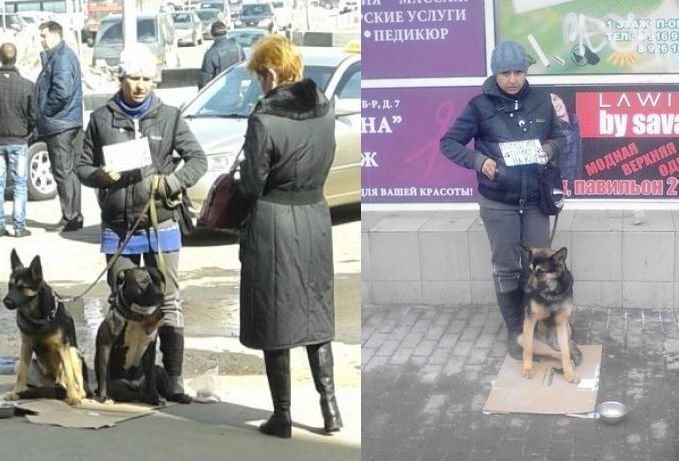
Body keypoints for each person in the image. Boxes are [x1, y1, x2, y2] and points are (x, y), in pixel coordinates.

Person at [76, 44, 207, 403]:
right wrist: (101, 176)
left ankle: (174, 377)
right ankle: (119, 376)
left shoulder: (169, 116)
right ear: (121, 77)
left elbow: (198, 160)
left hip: (162, 223)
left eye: (147, 79)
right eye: (134, 78)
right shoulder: (101, 119)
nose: (140, 85)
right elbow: (81, 167)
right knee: (120, 303)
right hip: (119, 229)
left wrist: (172, 183)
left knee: (168, 301)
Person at [238, 35, 342, 438]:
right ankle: (329, 409)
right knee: (316, 313)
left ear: (270, 73)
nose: (259, 85)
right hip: (316, 216)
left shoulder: (264, 120)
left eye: (259, 77)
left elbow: (251, 184)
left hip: (273, 221)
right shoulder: (326, 110)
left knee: (274, 314)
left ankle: (282, 415)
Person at [440, 41, 565, 360]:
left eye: (519, 71)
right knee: (507, 267)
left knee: (536, 266)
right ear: (495, 73)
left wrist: (548, 150)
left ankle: (536, 326)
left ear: (526, 71)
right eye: (505, 72)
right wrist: (478, 161)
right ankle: (516, 333)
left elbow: (559, 137)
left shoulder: (541, 101)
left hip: (535, 199)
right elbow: (449, 142)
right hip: (498, 202)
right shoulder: (479, 106)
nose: (512, 79)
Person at [35, 21, 84, 232]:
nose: (41, 40)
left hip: (60, 124)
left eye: (44, 35)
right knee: (69, 172)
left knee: (64, 172)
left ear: (55, 34)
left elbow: (61, 92)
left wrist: (44, 111)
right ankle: (73, 215)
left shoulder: (62, 58)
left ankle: (70, 217)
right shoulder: (59, 56)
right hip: (66, 122)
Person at [0, 43, 34, 238]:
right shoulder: (27, 85)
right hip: (18, 140)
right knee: (20, 184)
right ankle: (19, 227)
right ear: (16, 58)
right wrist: (26, 133)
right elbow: (34, 115)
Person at [198, 21, 243, 90]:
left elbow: (204, 82)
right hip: (236, 92)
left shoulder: (211, 53)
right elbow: (244, 69)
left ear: (212, 34)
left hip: (219, 95)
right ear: (226, 32)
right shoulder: (238, 48)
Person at [550, 93, 582, 184]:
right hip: (567, 186)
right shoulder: (551, 131)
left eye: (555, 99)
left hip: (585, 185)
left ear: (562, 99)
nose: (555, 105)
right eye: (550, 103)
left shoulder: (578, 120)